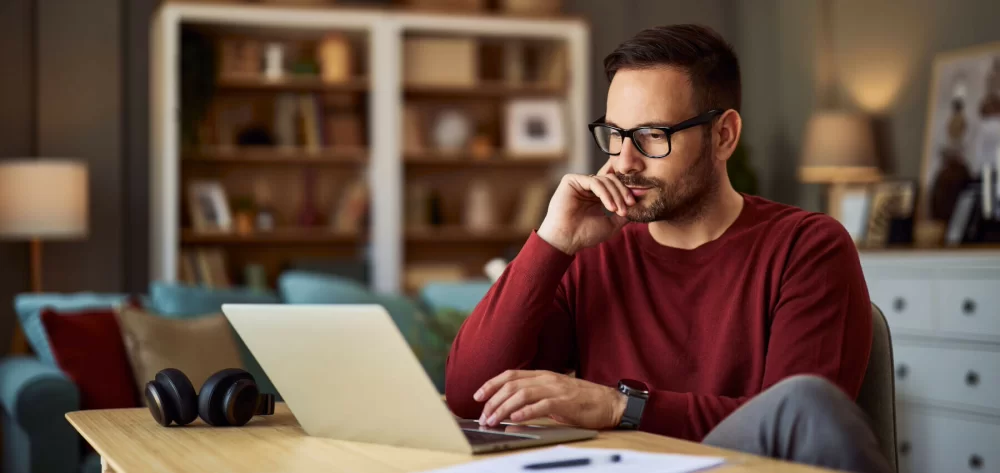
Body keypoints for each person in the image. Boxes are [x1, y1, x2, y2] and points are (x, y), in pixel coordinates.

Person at [444, 24, 891, 473]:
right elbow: (469, 396)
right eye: (615, 134)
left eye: (653, 135)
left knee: (805, 401)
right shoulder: (594, 254)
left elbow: (800, 426)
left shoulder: (808, 248)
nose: (624, 161)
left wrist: (622, 407)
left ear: (723, 136)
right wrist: (552, 242)